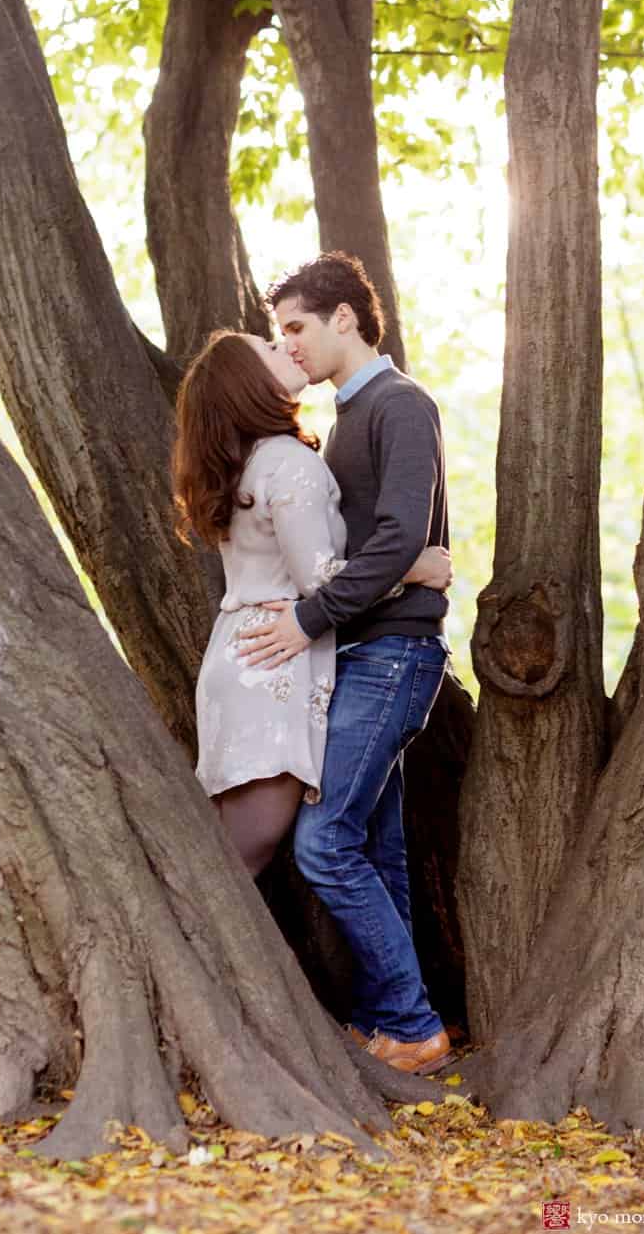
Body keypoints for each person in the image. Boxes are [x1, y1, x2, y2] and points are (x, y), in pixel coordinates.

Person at [239, 253, 452, 1074]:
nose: (287, 345)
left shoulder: (398, 405)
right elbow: (374, 549)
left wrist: (309, 617)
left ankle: (415, 1022)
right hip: (360, 650)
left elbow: (396, 535)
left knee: (323, 843)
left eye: (295, 326)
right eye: (278, 332)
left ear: (345, 319)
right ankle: (385, 1020)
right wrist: (406, 565)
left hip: (392, 653)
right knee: (373, 845)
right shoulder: (341, 424)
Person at [172, 329, 448, 881]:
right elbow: (319, 577)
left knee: (229, 853)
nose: (288, 348)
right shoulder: (287, 461)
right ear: (249, 383)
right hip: (272, 663)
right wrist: (415, 568)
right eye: (272, 349)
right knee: (242, 865)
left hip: (239, 656)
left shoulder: (247, 463)